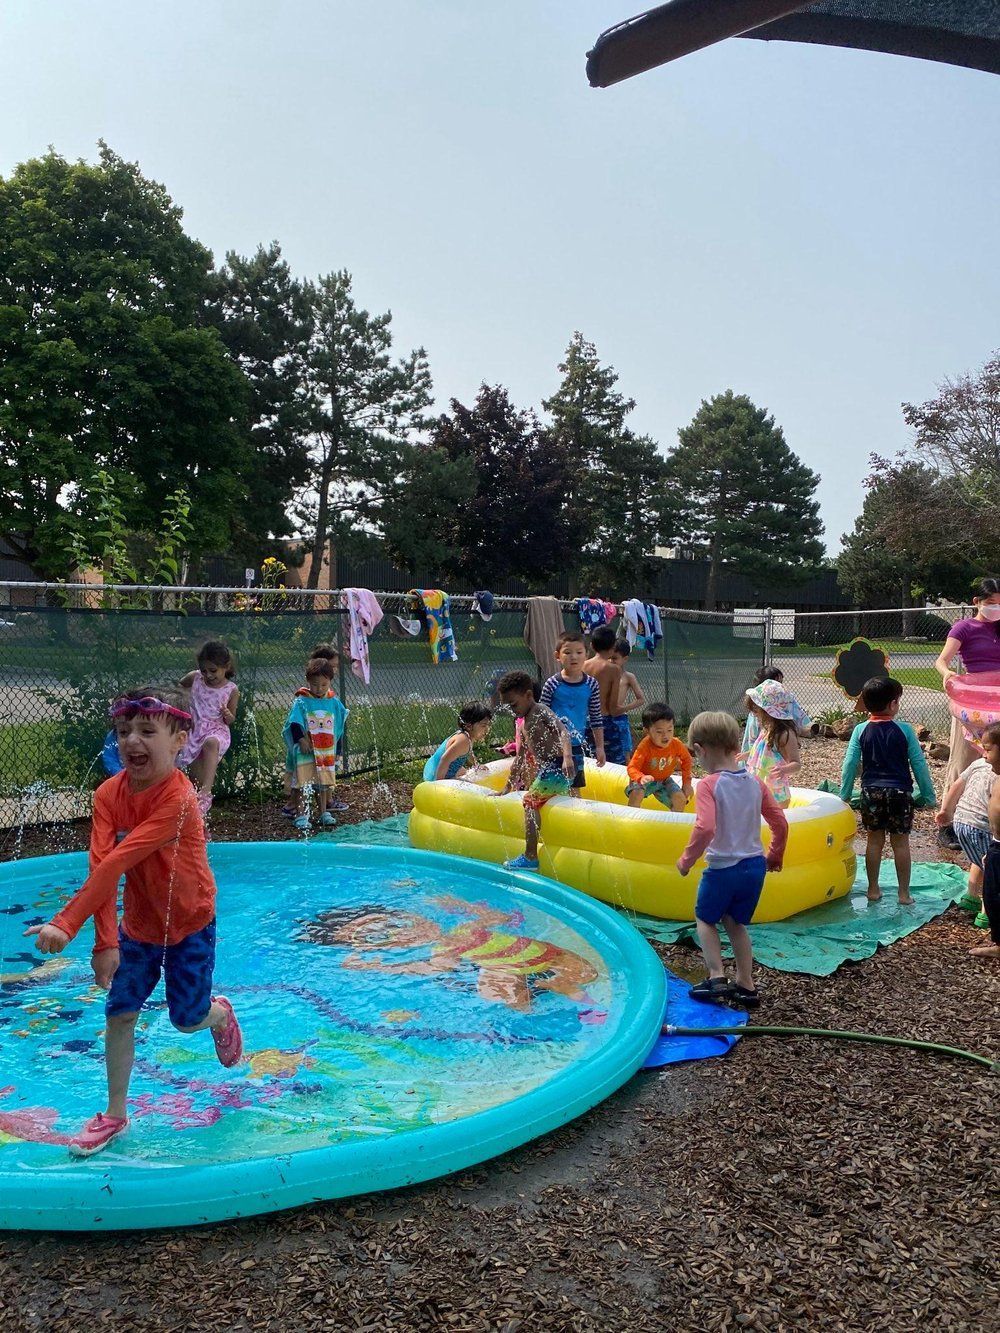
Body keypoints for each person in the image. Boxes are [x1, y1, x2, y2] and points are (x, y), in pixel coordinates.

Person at [23, 687, 243, 1157]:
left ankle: (219, 1013)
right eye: (124, 731)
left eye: (147, 730)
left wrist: (67, 921)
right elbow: (100, 864)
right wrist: (105, 942)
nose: (132, 741)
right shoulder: (109, 795)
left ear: (180, 741)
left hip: (189, 923)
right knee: (119, 1012)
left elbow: (119, 861)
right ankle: (115, 1114)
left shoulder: (179, 799)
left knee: (186, 1019)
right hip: (140, 927)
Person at [674, 711, 787, 1008]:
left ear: (699, 749)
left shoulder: (709, 784)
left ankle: (716, 977)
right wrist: (774, 854)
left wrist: (686, 860)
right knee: (735, 922)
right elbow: (780, 822)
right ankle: (746, 984)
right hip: (754, 867)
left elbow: (705, 827)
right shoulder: (755, 783)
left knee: (705, 919)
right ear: (736, 746)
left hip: (723, 869)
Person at [840, 676, 937, 905]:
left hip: (871, 792)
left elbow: (850, 764)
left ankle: (873, 889)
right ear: (893, 704)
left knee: (874, 841)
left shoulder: (860, 730)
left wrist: (844, 795)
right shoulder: (905, 730)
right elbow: (919, 764)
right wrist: (928, 795)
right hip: (900, 793)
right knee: (900, 843)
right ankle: (904, 894)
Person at [935, 577, 1000, 851]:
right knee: (962, 762)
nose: (996, 608)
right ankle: (946, 822)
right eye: (991, 602)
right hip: (973, 706)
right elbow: (942, 660)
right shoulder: (964, 627)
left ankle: (990, 819)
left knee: (996, 764)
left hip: (998, 705)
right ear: (977, 602)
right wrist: (948, 674)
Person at [496, 670, 574, 871]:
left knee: (530, 802)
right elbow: (520, 758)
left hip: (557, 766)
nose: (512, 710)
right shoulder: (524, 723)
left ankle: (530, 856)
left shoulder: (540, 711)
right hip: (548, 770)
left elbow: (563, 732)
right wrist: (507, 787)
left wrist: (567, 758)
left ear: (528, 695)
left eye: (514, 704)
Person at [282, 658, 349, 830]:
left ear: (330, 681)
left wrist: (338, 749)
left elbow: (338, 726)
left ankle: (323, 812)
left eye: (324, 685)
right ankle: (301, 814)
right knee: (302, 782)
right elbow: (294, 723)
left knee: (323, 783)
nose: (319, 689)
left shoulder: (333, 702)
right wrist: (301, 740)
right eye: (315, 685)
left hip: (325, 752)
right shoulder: (302, 701)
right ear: (308, 681)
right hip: (306, 752)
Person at [936, 749, 997, 928]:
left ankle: (971, 896)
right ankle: (987, 913)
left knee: (979, 858)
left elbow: (957, 785)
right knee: (993, 869)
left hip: (961, 821)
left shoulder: (977, 763)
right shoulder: (997, 773)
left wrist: (946, 810)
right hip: (982, 825)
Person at [178, 640, 239, 819]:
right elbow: (179, 687)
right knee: (195, 776)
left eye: (213, 670)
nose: (208, 675)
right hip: (194, 730)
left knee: (210, 743)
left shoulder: (231, 689)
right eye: (204, 670)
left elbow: (231, 720)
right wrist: (183, 701)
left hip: (216, 730)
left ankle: (206, 792)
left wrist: (227, 714)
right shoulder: (194, 678)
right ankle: (197, 819)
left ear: (226, 666)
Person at [540, 631, 605, 794]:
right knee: (546, 788)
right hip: (554, 745)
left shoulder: (591, 684)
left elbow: (596, 717)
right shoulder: (552, 684)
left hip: (576, 745)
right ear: (557, 656)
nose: (574, 657)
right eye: (567, 652)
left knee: (574, 789)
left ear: (586, 655)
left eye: (579, 652)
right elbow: (541, 716)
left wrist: (600, 747)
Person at [742, 679, 802, 809]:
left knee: (776, 818)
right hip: (759, 786)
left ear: (769, 711)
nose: (754, 714)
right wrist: (746, 755)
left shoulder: (785, 734)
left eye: (756, 710)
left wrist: (783, 769)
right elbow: (761, 752)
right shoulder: (766, 729)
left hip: (776, 792)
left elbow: (797, 764)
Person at [625, 703, 692, 812]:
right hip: (644, 779)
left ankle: (674, 821)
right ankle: (630, 817)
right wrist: (640, 777)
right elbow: (632, 767)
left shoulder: (676, 744)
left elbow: (687, 759)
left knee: (680, 799)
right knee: (637, 793)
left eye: (669, 730)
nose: (665, 736)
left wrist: (687, 783)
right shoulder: (645, 746)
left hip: (664, 780)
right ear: (647, 731)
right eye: (659, 731)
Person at [972, 722, 1000, 960]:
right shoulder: (997, 777)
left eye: (988, 749)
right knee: (991, 897)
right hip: (996, 845)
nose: (984, 755)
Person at [584, 626, 629, 765]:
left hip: (584, 721)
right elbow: (613, 708)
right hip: (604, 721)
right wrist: (628, 707)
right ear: (613, 647)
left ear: (592, 645)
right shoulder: (613, 670)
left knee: (589, 762)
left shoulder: (582, 666)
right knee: (616, 764)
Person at [741, 665, 811, 754]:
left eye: (780, 682)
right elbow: (752, 739)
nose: (780, 686)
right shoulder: (758, 709)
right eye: (777, 682)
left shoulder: (783, 699)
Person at [423, 703, 493, 781]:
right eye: (483, 725)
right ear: (469, 726)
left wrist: (476, 765)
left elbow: (469, 753)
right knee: (471, 784)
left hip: (436, 768)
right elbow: (444, 760)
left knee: (467, 773)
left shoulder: (468, 737)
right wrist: (439, 783)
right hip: (435, 774)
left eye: (488, 725)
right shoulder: (463, 740)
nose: (487, 729)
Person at [611, 639, 646, 717]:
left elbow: (641, 699)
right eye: (609, 657)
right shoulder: (603, 674)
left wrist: (624, 708)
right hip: (602, 716)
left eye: (614, 658)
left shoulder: (628, 677)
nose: (611, 661)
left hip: (618, 716)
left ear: (625, 659)